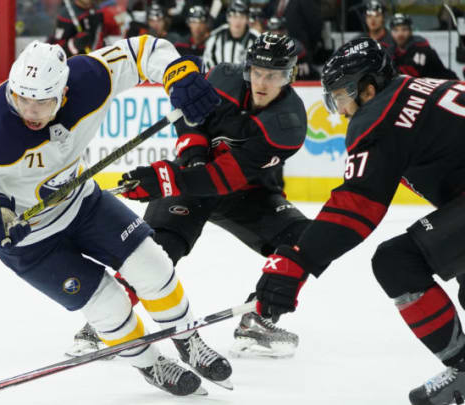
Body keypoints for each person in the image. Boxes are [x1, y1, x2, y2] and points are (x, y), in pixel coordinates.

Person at [0, 37, 233, 396]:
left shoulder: (90, 79)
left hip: (82, 203)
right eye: (22, 98)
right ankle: (150, 364)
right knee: (109, 305)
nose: (30, 111)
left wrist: (176, 71)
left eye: (42, 102)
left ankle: (187, 339)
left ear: (64, 91)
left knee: (153, 265)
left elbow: (143, 51)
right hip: (28, 238)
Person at [252, 37, 465, 405]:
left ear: (367, 88)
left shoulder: (379, 116)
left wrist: (297, 259)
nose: (340, 110)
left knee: (397, 262)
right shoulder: (420, 87)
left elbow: (357, 206)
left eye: (341, 97)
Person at [115, 32, 309, 359]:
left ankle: (259, 318)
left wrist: (166, 179)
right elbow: (190, 117)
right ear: (247, 69)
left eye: (274, 75)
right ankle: (110, 318)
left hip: (249, 194)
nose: (263, 83)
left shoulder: (288, 123)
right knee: (162, 245)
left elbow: (225, 178)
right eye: (258, 72)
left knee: (307, 239)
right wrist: (192, 158)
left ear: (290, 75)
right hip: (196, 176)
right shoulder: (221, 78)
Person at [389, 13, 458, 80]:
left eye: (404, 29)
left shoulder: (424, 49)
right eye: (395, 30)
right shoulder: (389, 52)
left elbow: (442, 73)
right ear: (391, 32)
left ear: (410, 31)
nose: (400, 34)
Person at [202, 0, 259, 71]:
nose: (238, 21)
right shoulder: (215, 37)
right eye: (234, 16)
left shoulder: (257, 40)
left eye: (242, 16)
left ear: (247, 19)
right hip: (218, 80)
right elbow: (207, 65)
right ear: (228, 17)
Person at [266, 16, 319, 80]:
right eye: (273, 30)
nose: (276, 33)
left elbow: (300, 52)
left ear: (285, 30)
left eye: (280, 29)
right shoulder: (263, 45)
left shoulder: (294, 43)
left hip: (294, 78)